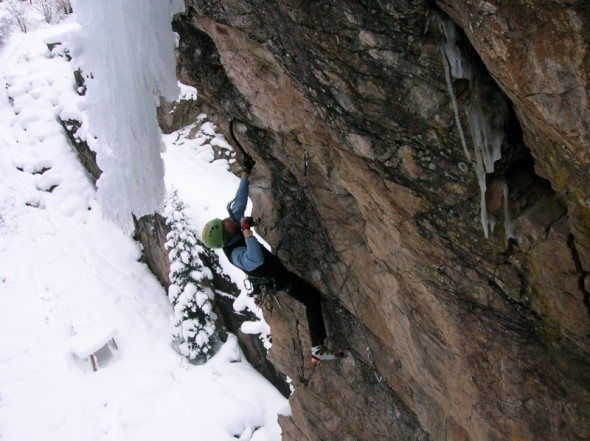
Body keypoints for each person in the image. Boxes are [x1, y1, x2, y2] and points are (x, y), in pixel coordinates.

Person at [201, 156, 341, 362]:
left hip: (270, 269)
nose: (227, 220)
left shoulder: (230, 227)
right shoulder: (236, 255)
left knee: (310, 296)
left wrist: (245, 172)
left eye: (223, 220)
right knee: (311, 299)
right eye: (224, 224)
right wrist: (247, 231)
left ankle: (317, 348)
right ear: (226, 236)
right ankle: (316, 349)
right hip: (277, 277)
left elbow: (239, 202)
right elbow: (255, 259)